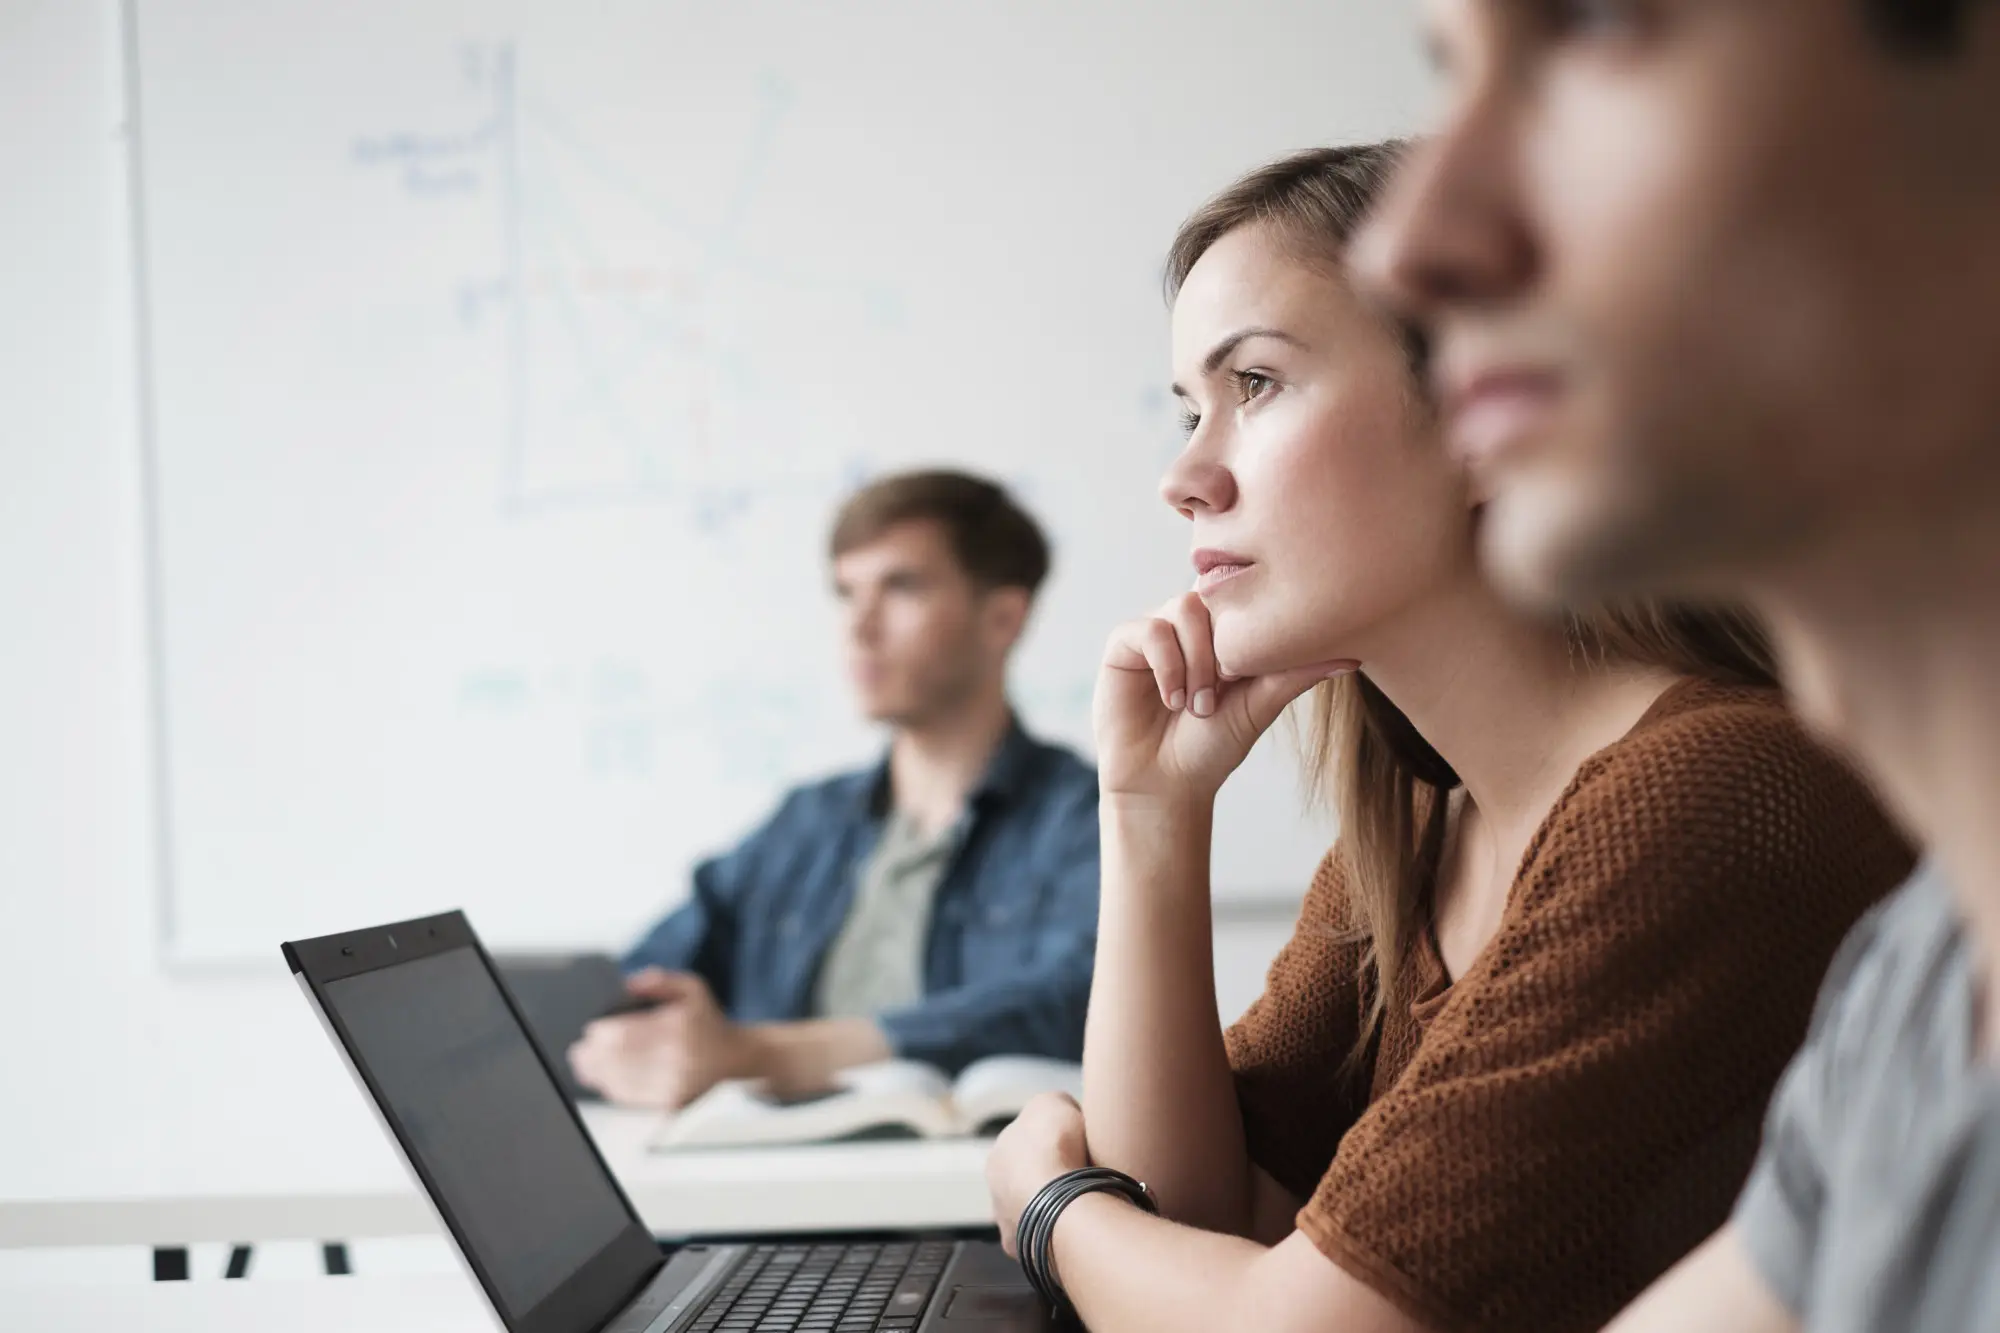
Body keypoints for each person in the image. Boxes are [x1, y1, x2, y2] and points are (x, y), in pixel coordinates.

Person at [981, 145, 1914, 1333]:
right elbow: (1196, 1216)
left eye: (1255, 384)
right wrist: (1151, 816)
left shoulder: (1710, 794)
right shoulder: (1425, 824)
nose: (1183, 476)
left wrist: (1051, 1206)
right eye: (1187, 410)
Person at [1351, 2, 2000, 1330]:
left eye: (1594, 29)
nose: (1410, 247)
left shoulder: (1712, 790)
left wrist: (1059, 1202)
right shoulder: (1923, 983)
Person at [569, 470, 1100, 1110]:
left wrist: (760, 1054)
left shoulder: (1081, 816)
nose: (859, 626)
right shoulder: (808, 822)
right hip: (773, 1191)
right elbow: (654, 970)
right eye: (846, 593)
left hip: (972, 1197)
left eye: (900, 588)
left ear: (1002, 618)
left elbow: (1077, 998)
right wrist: (638, 1037)